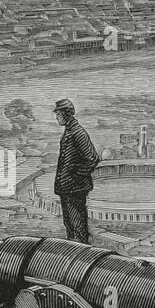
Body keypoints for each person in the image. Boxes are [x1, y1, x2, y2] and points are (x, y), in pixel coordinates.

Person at [52, 98, 100, 243]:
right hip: (67, 188)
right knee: (70, 226)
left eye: (58, 114)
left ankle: (80, 253)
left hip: (75, 188)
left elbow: (92, 158)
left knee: (77, 226)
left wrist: (76, 177)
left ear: (66, 114)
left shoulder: (78, 133)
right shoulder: (70, 131)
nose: (56, 117)